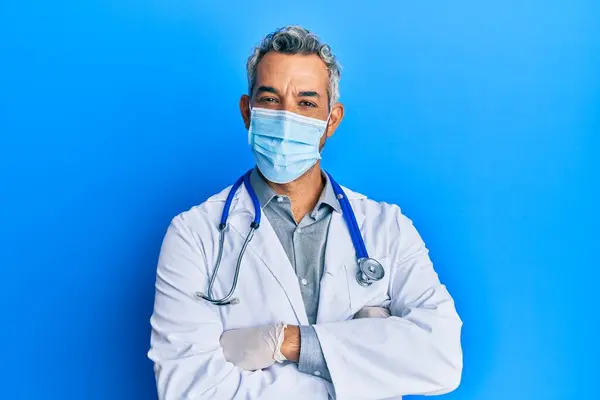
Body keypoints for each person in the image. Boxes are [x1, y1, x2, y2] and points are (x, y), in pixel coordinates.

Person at [148, 25, 463, 400]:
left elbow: (442, 359)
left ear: (331, 120)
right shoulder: (193, 234)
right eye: (270, 100)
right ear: (248, 112)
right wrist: (366, 356)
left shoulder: (387, 228)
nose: (286, 117)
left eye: (306, 103)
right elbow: (188, 390)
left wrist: (288, 342)